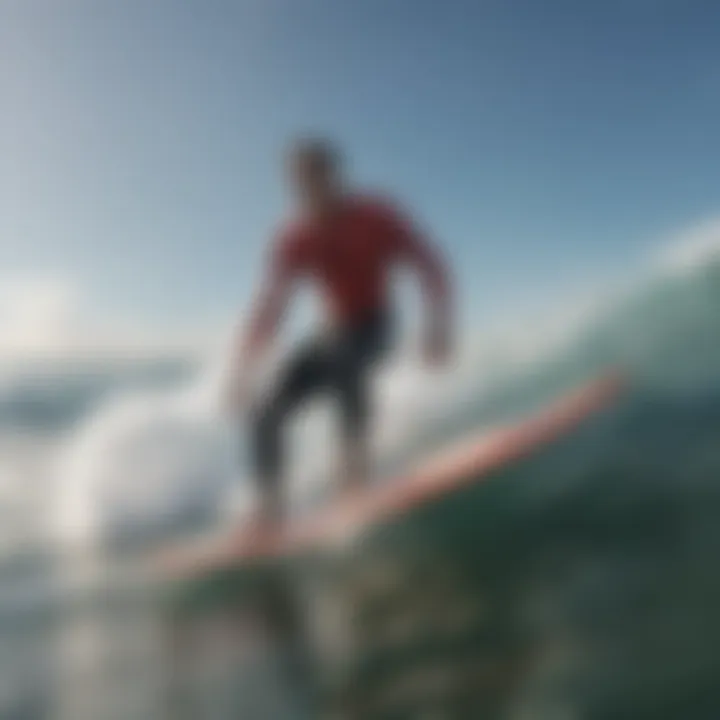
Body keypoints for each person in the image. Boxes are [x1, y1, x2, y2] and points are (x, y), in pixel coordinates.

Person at [227, 138, 453, 533]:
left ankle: (355, 473)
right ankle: (271, 505)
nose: (310, 190)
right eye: (300, 183)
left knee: (346, 364)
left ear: (336, 177)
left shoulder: (376, 216)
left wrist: (437, 327)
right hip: (329, 333)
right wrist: (242, 371)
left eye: (318, 178)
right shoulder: (293, 238)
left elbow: (429, 263)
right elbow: (271, 307)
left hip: (374, 324)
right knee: (265, 413)